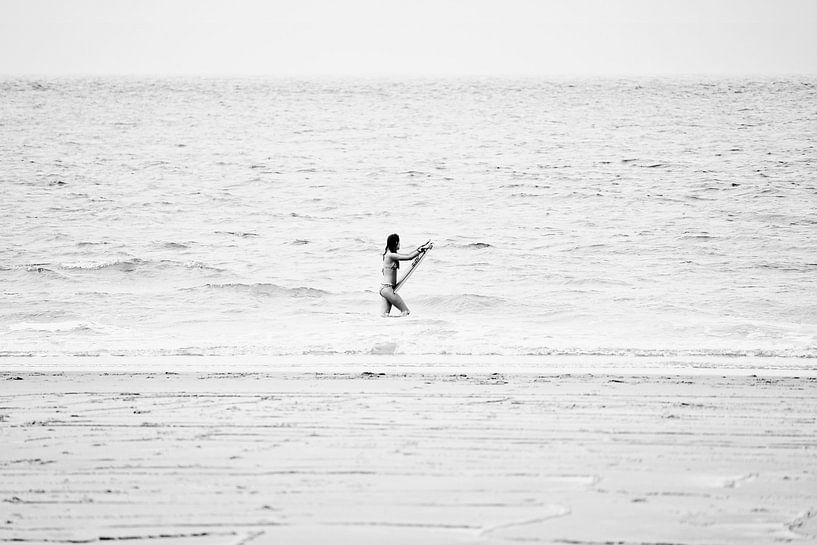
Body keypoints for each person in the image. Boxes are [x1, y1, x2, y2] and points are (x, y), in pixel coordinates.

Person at [380, 234, 431, 317]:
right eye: (399, 242)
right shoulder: (390, 255)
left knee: (385, 316)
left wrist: (422, 247)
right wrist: (421, 250)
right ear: (396, 242)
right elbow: (409, 257)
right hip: (388, 289)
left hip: (385, 289)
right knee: (405, 311)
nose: (400, 244)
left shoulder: (387, 255)